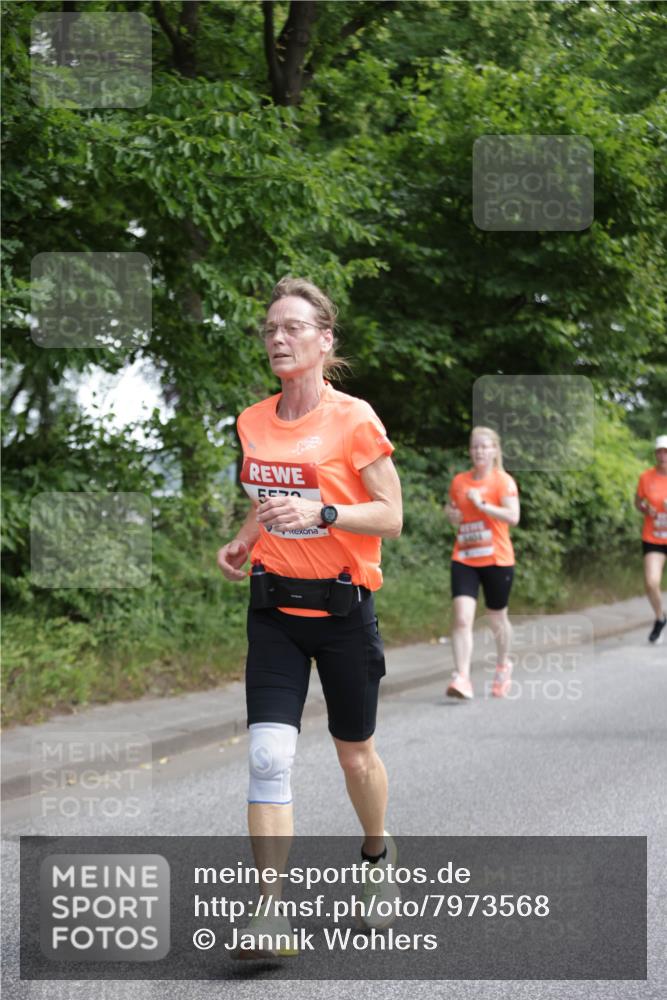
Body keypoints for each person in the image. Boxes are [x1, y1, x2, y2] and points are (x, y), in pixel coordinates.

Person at [216, 277, 403, 957]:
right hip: (273, 611)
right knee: (268, 757)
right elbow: (265, 493)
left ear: (325, 339)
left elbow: (391, 515)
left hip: (344, 610)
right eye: (269, 328)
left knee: (354, 755)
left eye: (292, 327)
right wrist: (245, 537)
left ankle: (377, 859)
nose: (276, 338)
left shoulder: (354, 419)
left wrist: (325, 512)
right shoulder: (251, 420)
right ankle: (269, 910)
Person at [444, 427, 520, 700]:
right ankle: (462, 676)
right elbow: (456, 517)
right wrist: (451, 514)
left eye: (484, 447)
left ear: (494, 451)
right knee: (463, 618)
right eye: (475, 446)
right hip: (465, 557)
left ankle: (503, 666)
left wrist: (483, 504)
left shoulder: (503, 481)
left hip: (497, 559)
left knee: (497, 618)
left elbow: (513, 517)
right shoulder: (459, 481)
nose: (479, 451)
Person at [634, 434, 667, 644]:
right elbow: (638, 503)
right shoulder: (646, 477)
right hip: (654, 536)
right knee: (651, 582)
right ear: (655, 454)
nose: (663, 455)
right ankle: (660, 617)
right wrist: (646, 509)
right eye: (660, 451)